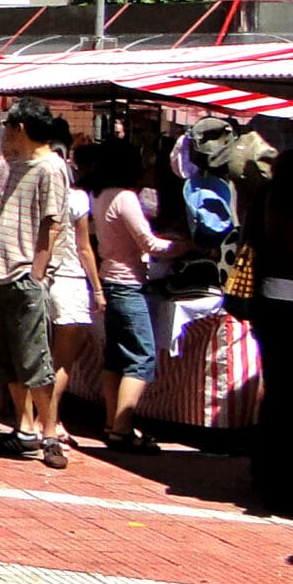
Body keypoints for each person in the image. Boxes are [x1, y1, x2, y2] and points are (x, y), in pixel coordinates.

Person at [0, 103, 73, 468]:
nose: (5, 134)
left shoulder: (51, 166)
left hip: (22, 275)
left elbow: (52, 224)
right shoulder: (17, 165)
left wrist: (37, 272)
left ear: (20, 126)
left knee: (34, 360)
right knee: (6, 360)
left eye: (8, 127)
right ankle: (24, 429)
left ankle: (49, 434)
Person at [91, 141, 174, 453]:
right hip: (127, 285)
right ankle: (123, 428)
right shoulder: (125, 197)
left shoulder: (100, 195)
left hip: (109, 281)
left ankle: (113, 423)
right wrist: (185, 246)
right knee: (141, 357)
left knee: (115, 357)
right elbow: (149, 244)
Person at [48, 147, 107, 427]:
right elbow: (84, 248)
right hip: (69, 280)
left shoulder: (37, 198)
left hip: (42, 281)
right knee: (62, 362)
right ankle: (49, 421)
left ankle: (42, 419)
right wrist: (97, 288)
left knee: (43, 358)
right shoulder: (77, 198)